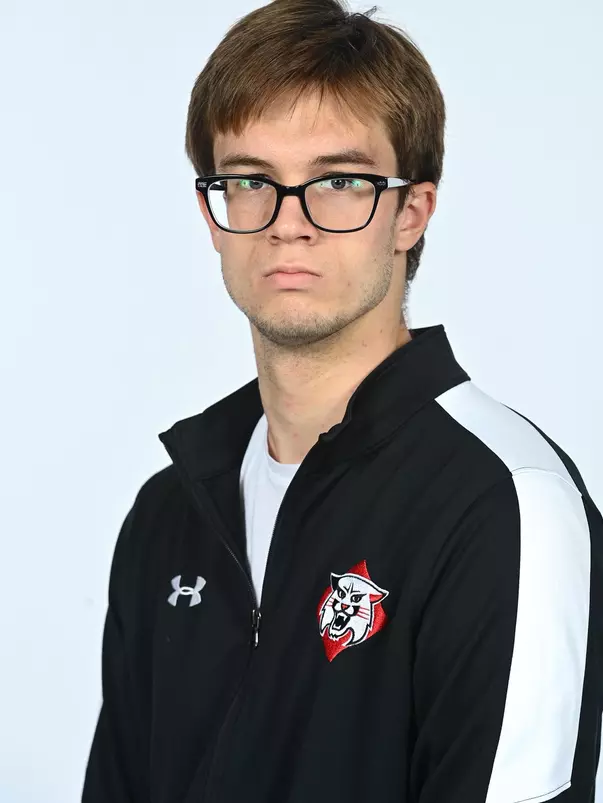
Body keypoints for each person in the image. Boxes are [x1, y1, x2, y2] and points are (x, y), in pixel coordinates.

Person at [81, 0, 603, 801]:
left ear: (410, 212)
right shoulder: (168, 513)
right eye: (251, 181)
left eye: (338, 181)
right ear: (211, 215)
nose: (289, 224)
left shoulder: (504, 500)